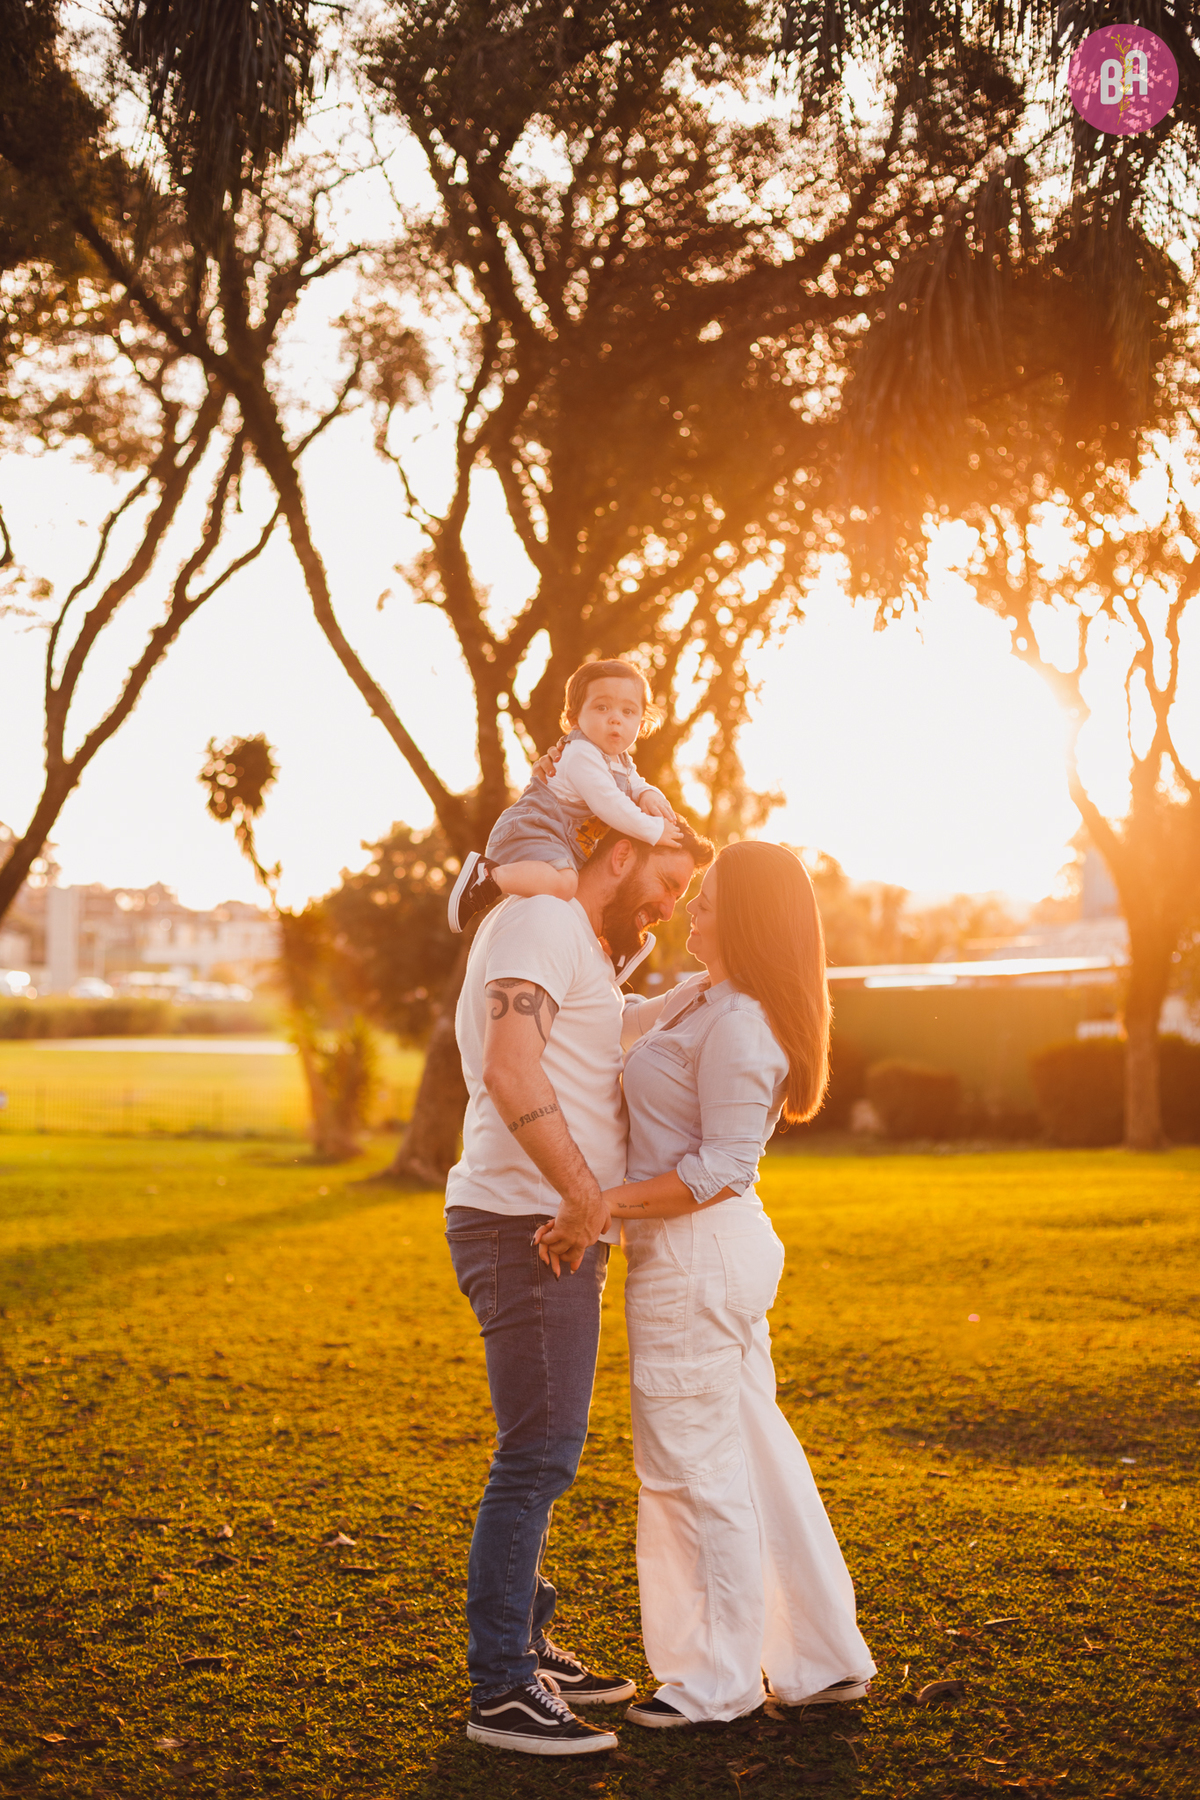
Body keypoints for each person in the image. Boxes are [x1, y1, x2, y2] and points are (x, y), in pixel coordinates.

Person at [536, 840, 877, 1727]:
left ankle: (717, 1682)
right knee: (750, 1455)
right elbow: (613, 1024)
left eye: (710, 900)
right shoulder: (702, 998)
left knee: (691, 1467)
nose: (692, 909)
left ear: (752, 918)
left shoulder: (742, 1023)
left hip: (696, 1257)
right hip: (693, 1257)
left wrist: (597, 1203)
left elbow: (724, 1167)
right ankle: (819, 1655)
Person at [445, 820, 714, 1757]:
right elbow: (509, 1063)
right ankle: (501, 1690)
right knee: (537, 1455)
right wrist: (582, 1198)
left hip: (550, 1222)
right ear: (624, 847)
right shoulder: (539, 919)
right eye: (669, 879)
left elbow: (596, 1041)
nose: (670, 904)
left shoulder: (582, 948)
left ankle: (524, 1640)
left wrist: (695, 990)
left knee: (546, 1449)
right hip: (529, 1227)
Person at [447, 658, 681, 934]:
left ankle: (615, 944)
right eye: (602, 707)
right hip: (532, 831)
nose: (615, 717)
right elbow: (609, 804)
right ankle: (488, 877)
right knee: (567, 884)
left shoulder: (620, 760)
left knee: (583, 887)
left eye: (628, 711)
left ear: (642, 724)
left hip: (554, 842)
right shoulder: (581, 754)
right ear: (573, 719)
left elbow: (634, 782)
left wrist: (647, 794)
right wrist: (654, 829)